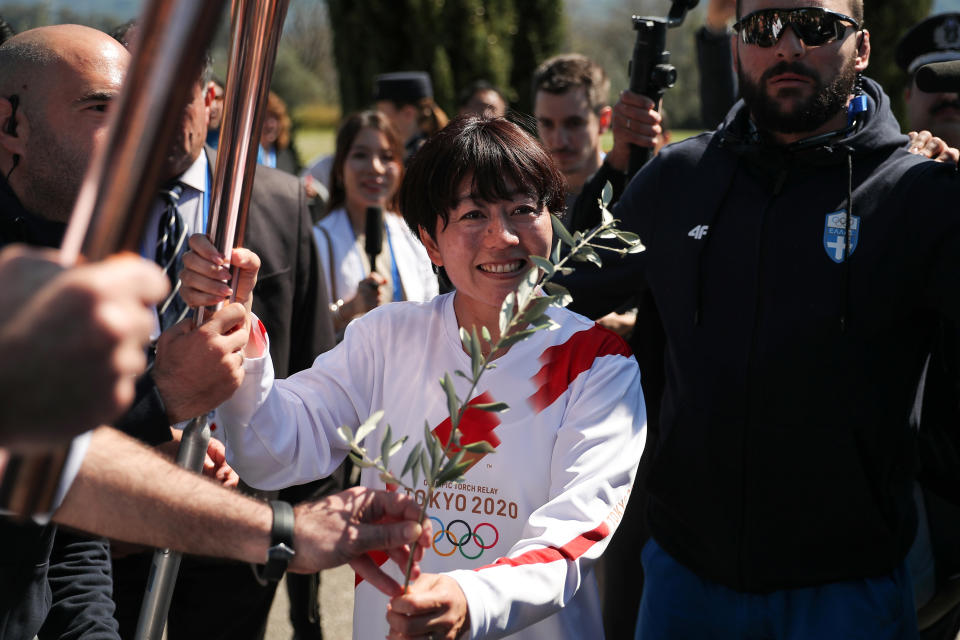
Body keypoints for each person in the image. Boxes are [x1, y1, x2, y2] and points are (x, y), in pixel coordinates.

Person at [0, 24, 430, 640]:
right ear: (9, 124)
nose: (135, 132)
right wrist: (165, 398)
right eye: (102, 108)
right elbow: (42, 454)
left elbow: (65, 533)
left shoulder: (70, 239)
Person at [562, 0, 960, 636]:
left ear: (860, 48)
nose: (786, 46)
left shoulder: (920, 193)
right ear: (736, 47)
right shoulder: (678, 178)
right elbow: (560, 289)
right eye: (761, 28)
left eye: (816, 26)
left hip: (848, 593)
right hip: (685, 584)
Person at [182, 115, 646, 640]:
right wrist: (240, 334)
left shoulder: (594, 362)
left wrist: (471, 599)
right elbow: (274, 450)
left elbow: (579, 525)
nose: (503, 236)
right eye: (473, 214)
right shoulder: (387, 338)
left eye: (523, 209)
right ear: (430, 242)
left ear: (553, 223)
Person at [107, 22, 337, 640]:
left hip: (233, 547)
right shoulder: (82, 207)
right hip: (106, 537)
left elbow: (316, 367)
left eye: (172, 92)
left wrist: (274, 510)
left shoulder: (280, 202)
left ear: (212, 101)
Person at [314, 110, 438, 336]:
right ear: (340, 169)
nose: (375, 168)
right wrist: (350, 308)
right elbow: (302, 331)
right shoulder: (317, 241)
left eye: (387, 157)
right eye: (361, 155)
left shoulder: (414, 238)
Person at [531, 53, 661, 232]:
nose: (559, 140)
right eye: (547, 123)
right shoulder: (521, 201)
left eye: (574, 123)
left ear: (604, 121)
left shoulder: (634, 192)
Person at [373, 71, 449, 161]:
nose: (378, 120)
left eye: (383, 113)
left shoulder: (425, 157)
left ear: (408, 113)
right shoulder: (409, 151)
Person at [258, 90, 300, 174]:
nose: (270, 124)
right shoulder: (245, 155)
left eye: (275, 118)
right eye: (265, 118)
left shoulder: (285, 156)